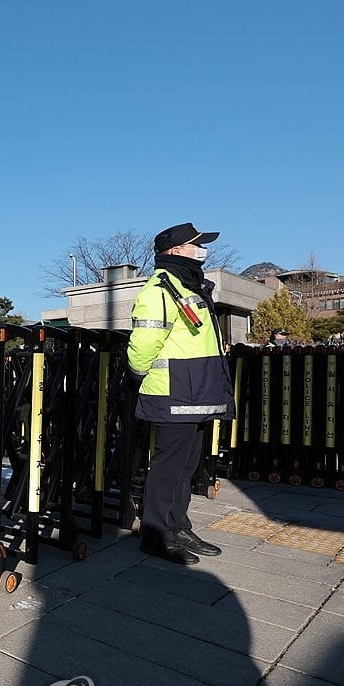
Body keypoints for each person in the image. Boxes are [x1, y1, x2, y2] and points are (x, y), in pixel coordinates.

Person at [127, 223, 235, 564]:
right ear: (175, 251)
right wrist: (136, 374)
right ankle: (156, 534)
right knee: (168, 465)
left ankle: (177, 524)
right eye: (195, 244)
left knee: (187, 465)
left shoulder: (189, 285)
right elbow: (144, 342)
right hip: (173, 392)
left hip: (197, 390)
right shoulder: (159, 289)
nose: (201, 249)